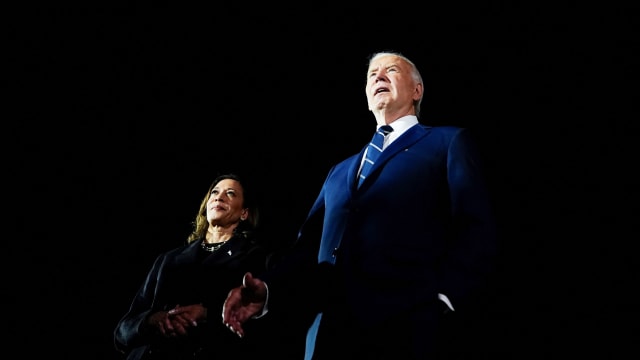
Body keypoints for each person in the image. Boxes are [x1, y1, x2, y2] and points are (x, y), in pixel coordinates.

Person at [222, 51, 499, 359]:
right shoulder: (339, 171)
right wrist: (269, 290)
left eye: (390, 70)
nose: (378, 76)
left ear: (417, 91)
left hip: (407, 329)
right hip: (329, 335)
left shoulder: (448, 142)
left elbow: (476, 227)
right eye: (371, 75)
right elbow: (307, 249)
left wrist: (445, 298)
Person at [114, 173, 302, 359]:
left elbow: (274, 322)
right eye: (214, 192)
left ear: (244, 213)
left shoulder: (258, 257)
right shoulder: (167, 259)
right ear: (206, 206)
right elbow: (122, 332)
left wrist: (208, 314)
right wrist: (150, 321)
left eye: (230, 193)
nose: (219, 197)